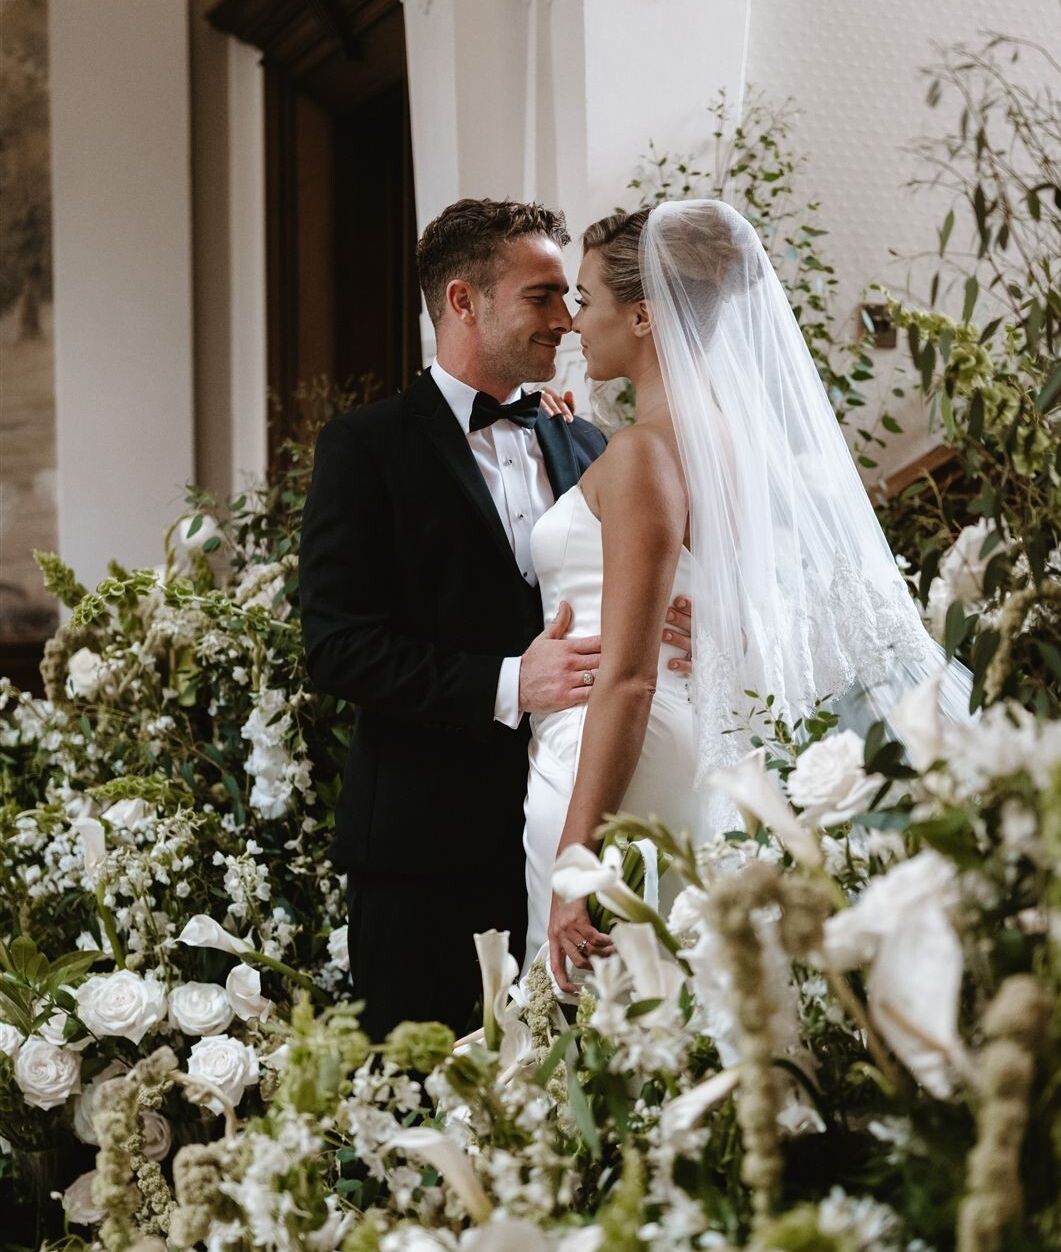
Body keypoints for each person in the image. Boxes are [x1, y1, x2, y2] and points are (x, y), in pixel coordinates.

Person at [524, 199, 971, 992]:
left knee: (598, 1014)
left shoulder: (635, 456)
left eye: (586, 300)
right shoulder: (744, 449)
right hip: (699, 737)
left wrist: (577, 857)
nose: (572, 322)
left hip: (612, 752)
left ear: (642, 317)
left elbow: (629, 676)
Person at [298, 198, 692, 1037]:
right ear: (462, 301)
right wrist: (514, 680)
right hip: (425, 851)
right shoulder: (364, 449)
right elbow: (337, 648)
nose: (567, 321)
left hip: (573, 816)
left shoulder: (589, 444)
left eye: (570, 297)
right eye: (542, 297)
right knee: (429, 1105)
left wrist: (673, 616)